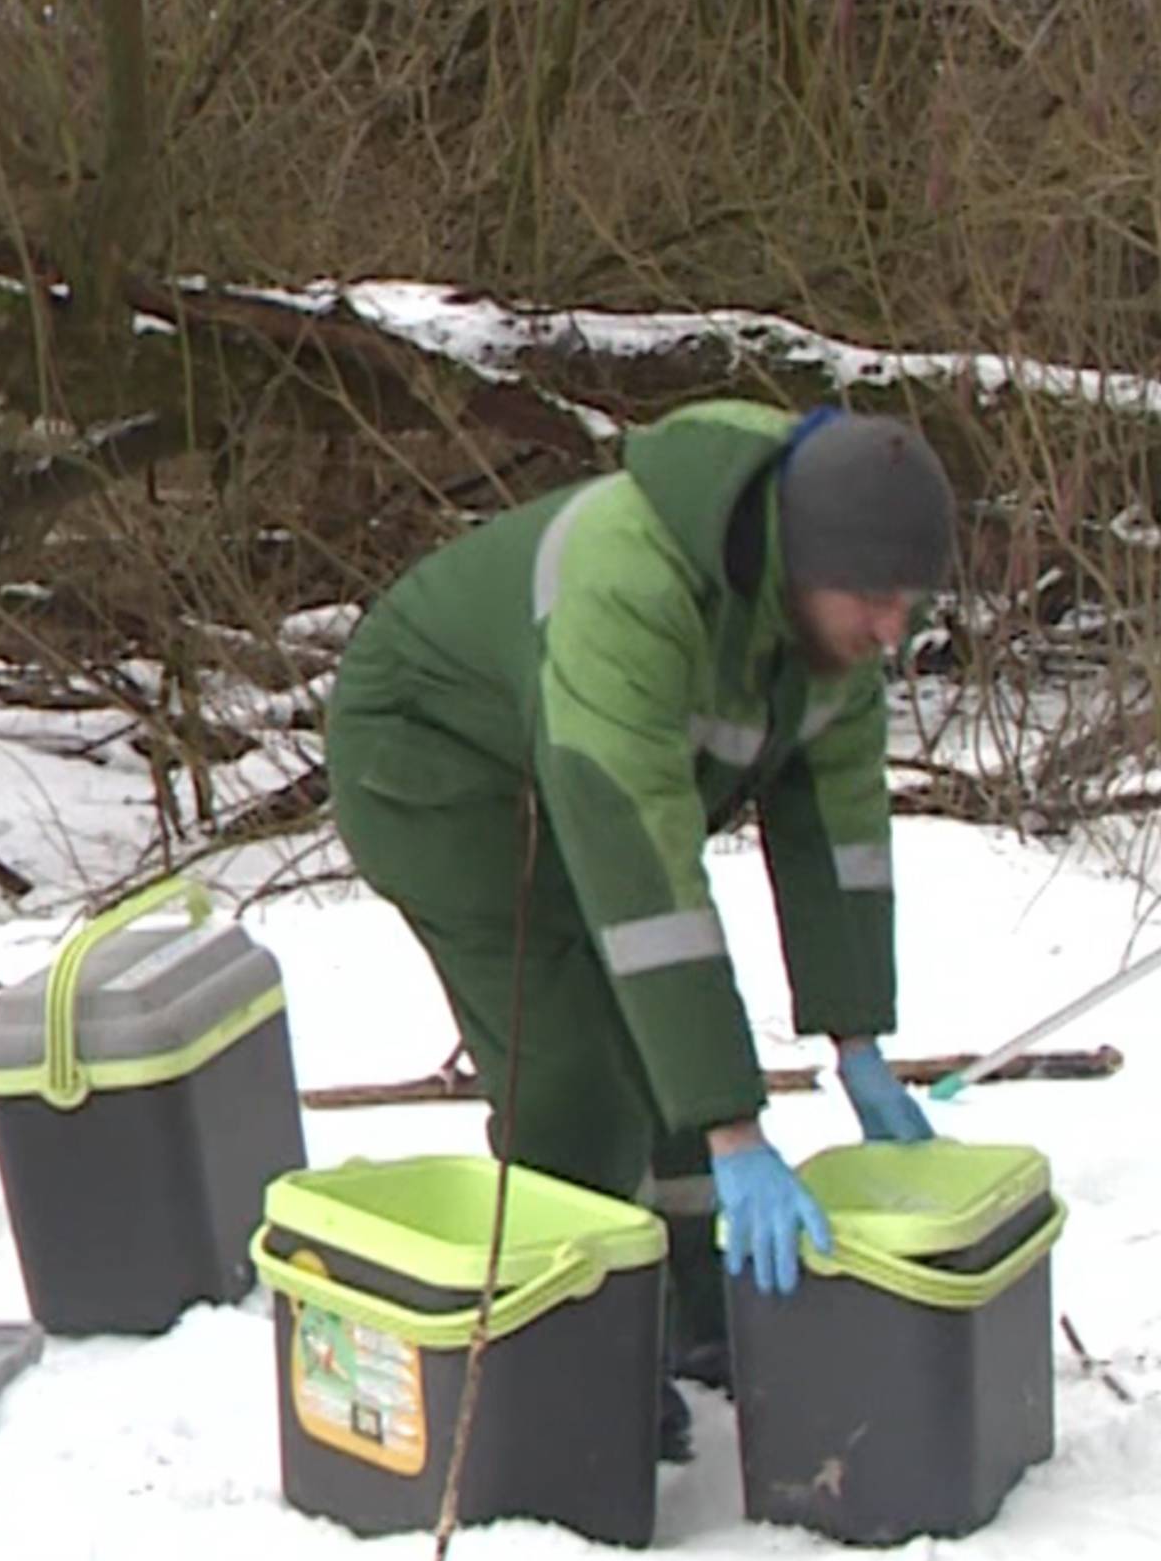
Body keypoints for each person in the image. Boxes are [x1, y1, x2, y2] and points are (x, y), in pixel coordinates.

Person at [325, 400, 953, 1459]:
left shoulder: (823, 634)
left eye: (911, 602)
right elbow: (642, 868)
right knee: (578, 1069)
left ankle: (700, 1304)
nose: (894, 630)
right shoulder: (630, 576)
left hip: (587, 775)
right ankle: (580, 1352)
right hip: (441, 769)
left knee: (672, 1044)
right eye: (877, 599)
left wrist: (857, 1041)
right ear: (801, 559)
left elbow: (836, 829)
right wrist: (733, 1126)